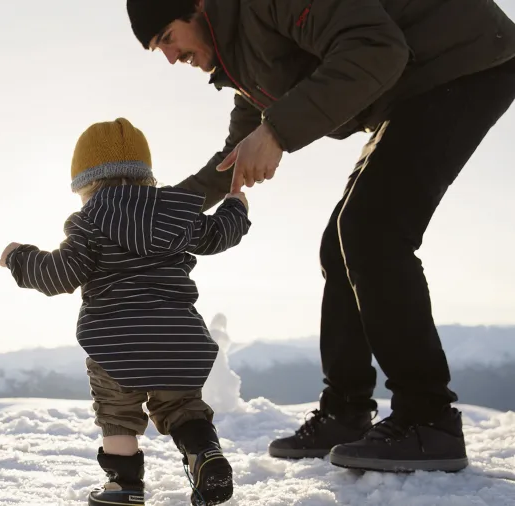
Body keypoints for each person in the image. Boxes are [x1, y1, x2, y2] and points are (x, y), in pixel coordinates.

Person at [124, 0, 515, 473]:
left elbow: (376, 46)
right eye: (157, 49)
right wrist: (166, 208)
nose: (169, 57)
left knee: (373, 231)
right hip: (413, 86)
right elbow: (234, 155)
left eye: (167, 37)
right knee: (342, 244)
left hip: (464, 60)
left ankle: (429, 420)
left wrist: (278, 131)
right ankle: (346, 412)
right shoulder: (241, 57)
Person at [0, 118, 250, 506]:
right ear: (145, 175)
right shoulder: (174, 212)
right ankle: (205, 454)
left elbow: (59, 275)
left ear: (84, 184)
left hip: (115, 342)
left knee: (117, 415)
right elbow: (219, 234)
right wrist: (236, 207)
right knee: (183, 407)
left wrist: (19, 257)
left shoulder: (88, 222)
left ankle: (125, 487)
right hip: (177, 337)